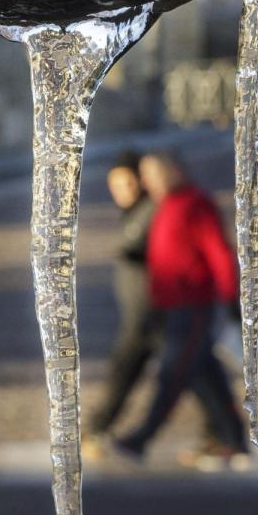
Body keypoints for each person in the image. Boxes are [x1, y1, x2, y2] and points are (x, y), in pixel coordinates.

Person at [114, 152, 248, 469]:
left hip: (192, 307)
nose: (146, 182)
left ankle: (142, 437)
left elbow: (220, 253)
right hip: (170, 307)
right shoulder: (165, 206)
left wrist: (232, 300)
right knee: (204, 376)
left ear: (174, 171)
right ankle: (232, 439)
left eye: (152, 174)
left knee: (173, 375)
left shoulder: (195, 204)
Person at [85, 151, 159, 447]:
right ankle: (222, 431)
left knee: (124, 371)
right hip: (142, 312)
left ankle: (98, 427)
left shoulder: (150, 212)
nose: (121, 192)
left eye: (127, 183)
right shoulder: (135, 214)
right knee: (195, 374)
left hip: (152, 312)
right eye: (115, 185)